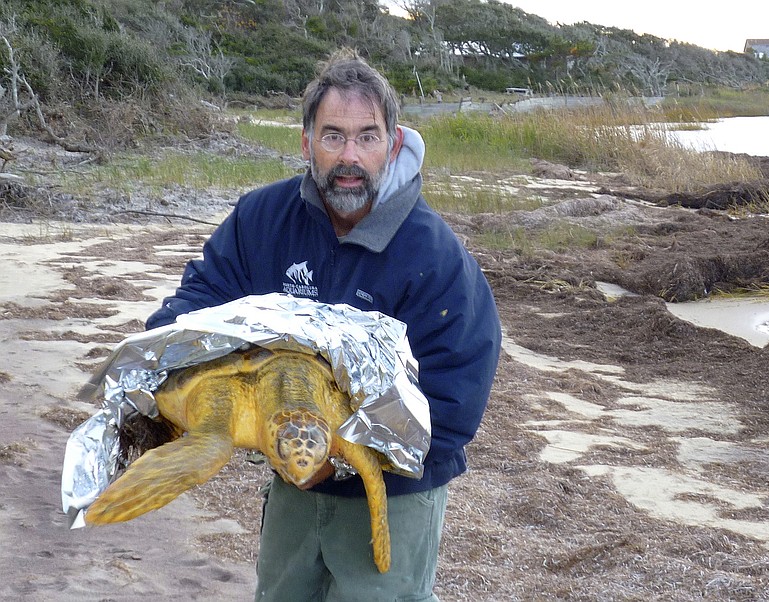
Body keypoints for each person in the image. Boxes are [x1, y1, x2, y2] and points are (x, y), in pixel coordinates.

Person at [146, 48, 502, 602]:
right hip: (292, 471)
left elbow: (457, 397)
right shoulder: (263, 219)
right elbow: (198, 303)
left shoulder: (435, 256)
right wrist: (162, 364)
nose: (350, 156)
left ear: (394, 144)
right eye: (333, 136)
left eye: (367, 136)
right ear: (307, 143)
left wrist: (339, 460)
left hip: (394, 491)